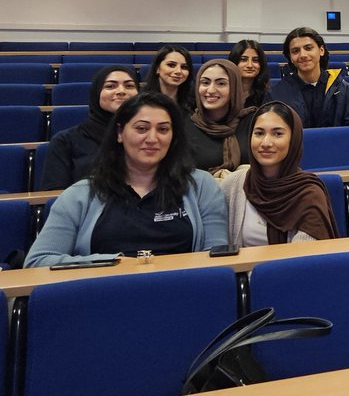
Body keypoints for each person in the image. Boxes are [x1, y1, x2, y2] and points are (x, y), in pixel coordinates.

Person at [25, 92, 228, 267]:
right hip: (102, 295)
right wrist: (116, 263)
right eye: (141, 128)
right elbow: (39, 261)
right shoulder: (80, 195)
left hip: (182, 292)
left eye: (163, 129)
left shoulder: (201, 185)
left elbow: (215, 255)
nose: (152, 138)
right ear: (120, 133)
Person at [219, 102, 337, 245]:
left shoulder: (309, 193)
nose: (266, 142)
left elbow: (303, 260)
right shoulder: (233, 185)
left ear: (293, 140)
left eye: (278, 134)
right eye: (259, 133)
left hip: (288, 267)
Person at [41, 65, 139, 190]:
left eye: (129, 86)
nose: (121, 91)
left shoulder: (149, 137)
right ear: (97, 93)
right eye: (110, 86)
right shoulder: (66, 141)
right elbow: (55, 196)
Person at [265, 27, 349, 128]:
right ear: (290, 57)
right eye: (295, 51)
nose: (303, 55)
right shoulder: (276, 94)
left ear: (321, 50)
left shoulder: (345, 91)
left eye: (308, 48)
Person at [185, 59, 253, 175]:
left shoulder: (253, 122)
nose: (211, 90)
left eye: (221, 83)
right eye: (205, 83)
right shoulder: (185, 127)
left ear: (235, 87)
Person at [144, 44, 196, 114]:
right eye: (171, 65)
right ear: (157, 68)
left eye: (184, 67)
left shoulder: (194, 103)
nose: (178, 71)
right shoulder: (142, 101)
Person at [228, 39, 269, 109]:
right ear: (234, 62)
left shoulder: (267, 95)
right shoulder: (223, 92)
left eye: (255, 60)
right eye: (243, 59)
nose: (250, 65)